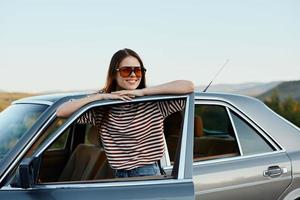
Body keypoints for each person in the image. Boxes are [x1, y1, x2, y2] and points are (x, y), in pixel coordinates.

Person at [56, 48, 194, 178]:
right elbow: (62, 111)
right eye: (126, 70)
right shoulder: (102, 107)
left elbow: (188, 86)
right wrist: (101, 97)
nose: (133, 75)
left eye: (138, 71)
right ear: (114, 74)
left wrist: (142, 92)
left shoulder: (153, 102)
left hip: (148, 174)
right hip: (119, 175)